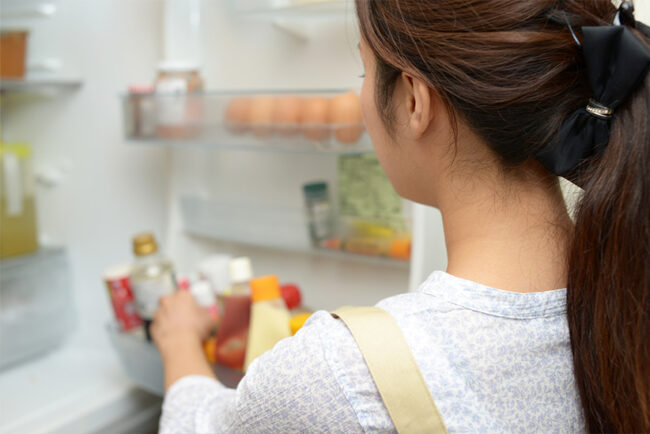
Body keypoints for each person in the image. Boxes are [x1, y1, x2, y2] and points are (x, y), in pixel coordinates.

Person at [152, 0, 650, 432]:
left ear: (414, 101)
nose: (360, 98)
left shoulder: (339, 375)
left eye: (365, 73)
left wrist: (179, 343)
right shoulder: (627, 297)